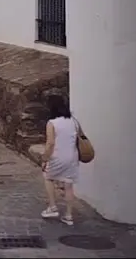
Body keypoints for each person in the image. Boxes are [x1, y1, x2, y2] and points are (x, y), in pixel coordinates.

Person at [40, 93, 81, 225]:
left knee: (48, 177)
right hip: (72, 157)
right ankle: (69, 215)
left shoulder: (52, 123)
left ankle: (52, 207)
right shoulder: (74, 121)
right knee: (68, 185)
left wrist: (45, 158)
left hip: (57, 156)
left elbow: (50, 143)